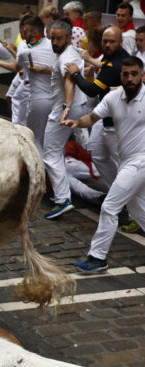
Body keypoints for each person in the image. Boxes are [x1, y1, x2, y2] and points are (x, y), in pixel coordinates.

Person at [63, 57, 145, 272]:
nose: (129, 78)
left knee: (110, 206)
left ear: (142, 75)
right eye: (125, 74)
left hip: (141, 161)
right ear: (121, 76)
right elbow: (92, 117)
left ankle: (97, 257)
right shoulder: (113, 97)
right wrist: (76, 122)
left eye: (134, 74)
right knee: (138, 210)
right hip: (127, 160)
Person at [66, 25, 129, 190]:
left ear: (120, 42)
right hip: (107, 119)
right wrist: (95, 65)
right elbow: (105, 66)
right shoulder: (116, 57)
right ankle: (116, 191)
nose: (107, 45)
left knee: (125, 168)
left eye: (112, 42)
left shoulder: (113, 65)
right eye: (105, 41)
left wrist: (75, 74)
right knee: (99, 155)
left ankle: (129, 203)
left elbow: (92, 90)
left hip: (117, 125)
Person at [0, 16, 54, 155]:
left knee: (33, 138)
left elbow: (15, 66)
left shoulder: (25, 49)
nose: (23, 33)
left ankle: (37, 170)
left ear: (35, 32)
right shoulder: (53, 45)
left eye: (26, 30)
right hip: (55, 99)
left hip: (37, 99)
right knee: (45, 138)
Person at [42, 20, 87, 220]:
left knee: (50, 154)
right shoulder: (72, 51)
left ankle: (63, 200)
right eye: (53, 38)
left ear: (68, 38)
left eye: (59, 38)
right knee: (89, 148)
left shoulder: (66, 57)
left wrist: (66, 107)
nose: (55, 42)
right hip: (78, 107)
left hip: (65, 111)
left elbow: (70, 80)